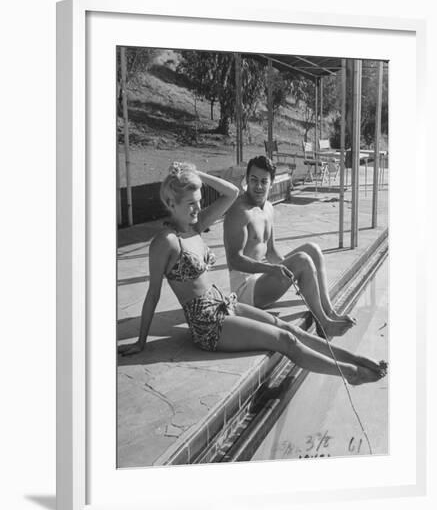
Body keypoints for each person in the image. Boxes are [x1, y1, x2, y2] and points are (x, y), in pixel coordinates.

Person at [119, 162, 386, 386]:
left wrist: (195, 173)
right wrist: (141, 342)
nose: (197, 209)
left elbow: (232, 192)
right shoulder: (166, 242)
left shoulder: (196, 227)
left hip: (225, 304)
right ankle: (350, 373)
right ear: (170, 202)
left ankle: (354, 359)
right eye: (190, 204)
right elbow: (153, 294)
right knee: (286, 340)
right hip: (207, 325)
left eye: (199, 202)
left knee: (285, 326)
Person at [224, 155, 354, 338]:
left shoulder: (268, 207)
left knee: (312, 250)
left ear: (272, 182)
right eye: (253, 180)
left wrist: (288, 268)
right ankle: (324, 324)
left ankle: (330, 313)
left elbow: (270, 252)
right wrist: (278, 269)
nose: (258, 186)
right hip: (244, 291)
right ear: (247, 179)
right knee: (302, 260)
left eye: (263, 181)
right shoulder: (239, 212)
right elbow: (234, 260)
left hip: (261, 277)